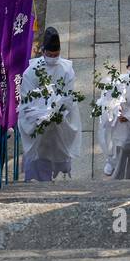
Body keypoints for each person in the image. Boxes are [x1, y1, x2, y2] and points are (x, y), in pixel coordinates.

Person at [17, 28, 81, 182]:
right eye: (50, 55)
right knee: (40, 152)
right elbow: (27, 97)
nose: (53, 58)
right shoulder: (31, 71)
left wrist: (56, 110)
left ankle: (57, 171)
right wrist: (42, 113)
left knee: (58, 145)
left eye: (56, 55)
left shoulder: (66, 69)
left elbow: (68, 95)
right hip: (38, 118)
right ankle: (39, 179)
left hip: (60, 118)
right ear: (43, 51)